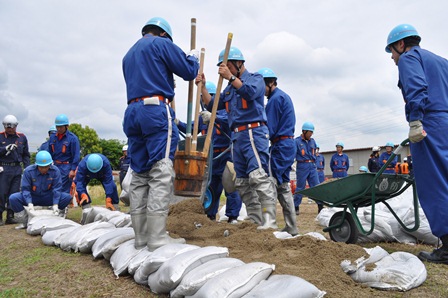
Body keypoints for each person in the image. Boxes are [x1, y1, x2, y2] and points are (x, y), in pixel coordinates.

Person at [122, 17, 199, 251]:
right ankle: (157, 239)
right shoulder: (161, 43)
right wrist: (192, 56)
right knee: (161, 170)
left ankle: (141, 237)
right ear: (164, 34)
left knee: (139, 174)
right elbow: (188, 71)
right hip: (155, 110)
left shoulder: (129, 54)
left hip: (132, 112)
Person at [386, 23, 448, 264]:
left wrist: (415, 120)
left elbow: (417, 88)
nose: (392, 57)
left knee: (434, 184)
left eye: (392, 51)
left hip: (429, 122)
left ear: (401, 44)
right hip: (445, 121)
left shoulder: (409, 58)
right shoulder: (441, 61)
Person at [199, 47, 277, 230]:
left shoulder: (255, 79)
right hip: (237, 136)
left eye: (227, 66)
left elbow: (250, 93)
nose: (224, 69)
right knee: (242, 182)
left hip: (253, 133)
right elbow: (213, 105)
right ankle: (255, 218)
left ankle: (270, 221)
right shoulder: (228, 89)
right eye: (221, 67)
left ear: (238, 63)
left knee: (258, 177)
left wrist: (231, 78)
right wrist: (202, 87)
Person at [188, 81, 242, 223]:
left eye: (207, 97)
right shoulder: (202, 116)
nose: (204, 100)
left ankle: (232, 216)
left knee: (230, 186)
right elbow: (191, 129)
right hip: (211, 158)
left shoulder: (224, 112)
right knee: (211, 188)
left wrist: (213, 117)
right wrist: (176, 123)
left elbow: (228, 122)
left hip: (226, 155)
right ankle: (210, 214)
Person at [258, 67, 298, 235]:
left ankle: (270, 224)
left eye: (262, 87)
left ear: (271, 83)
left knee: (272, 184)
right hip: (287, 145)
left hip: (280, 146)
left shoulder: (275, 100)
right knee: (283, 185)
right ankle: (291, 226)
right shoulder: (284, 96)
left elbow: (269, 129)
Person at [9, 150, 72, 229]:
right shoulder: (29, 171)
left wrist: (55, 204)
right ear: (37, 165)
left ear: (50, 164)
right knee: (13, 198)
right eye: (41, 167)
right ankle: (25, 221)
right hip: (33, 197)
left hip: (48, 197)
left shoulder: (55, 171)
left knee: (67, 197)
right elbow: (25, 189)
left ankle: (58, 217)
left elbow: (57, 189)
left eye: (46, 166)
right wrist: (29, 203)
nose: (44, 169)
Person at [0, 115, 30, 225]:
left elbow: (26, 155)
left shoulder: (22, 137)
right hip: (3, 167)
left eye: (11, 127)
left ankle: (10, 215)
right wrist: (5, 149)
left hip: (17, 168)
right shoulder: (1, 137)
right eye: (7, 127)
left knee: (14, 193)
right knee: (2, 192)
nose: (10, 129)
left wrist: (27, 167)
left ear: (16, 126)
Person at [293, 122, 322, 215]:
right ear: (304, 131)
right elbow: (293, 154)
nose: (311, 135)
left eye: (312, 133)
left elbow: (315, 153)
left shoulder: (312, 141)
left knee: (316, 187)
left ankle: (320, 206)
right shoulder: (296, 141)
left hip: (312, 166)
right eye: (310, 133)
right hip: (302, 166)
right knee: (300, 187)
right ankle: (296, 206)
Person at [48, 114, 80, 194]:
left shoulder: (72, 138)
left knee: (63, 187)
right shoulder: (52, 137)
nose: (59, 129)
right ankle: (54, 204)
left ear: (66, 126)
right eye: (57, 127)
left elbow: (76, 155)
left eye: (61, 127)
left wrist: (73, 170)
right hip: (54, 165)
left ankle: (62, 205)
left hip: (66, 167)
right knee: (52, 185)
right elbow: (49, 152)